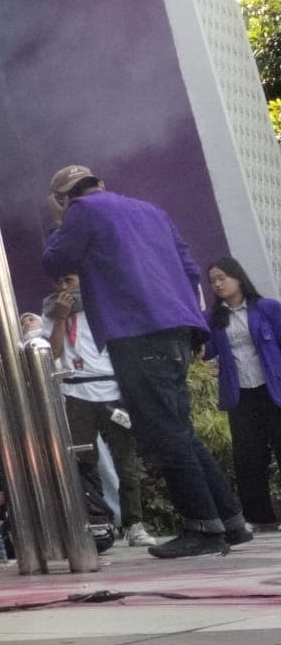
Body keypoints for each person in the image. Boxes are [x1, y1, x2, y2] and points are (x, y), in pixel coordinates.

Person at [43, 164, 245, 559]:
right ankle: (230, 522)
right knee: (180, 429)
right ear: (99, 184)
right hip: (176, 330)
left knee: (163, 434)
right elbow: (189, 270)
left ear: (66, 197)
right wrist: (194, 328)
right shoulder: (152, 210)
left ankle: (202, 528)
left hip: (136, 332)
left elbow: (56, 263)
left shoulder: (81, 213)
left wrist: (58, 222)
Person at [46, 274, 153, 546]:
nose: (63, 287)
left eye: (68, 280)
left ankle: (133, 524)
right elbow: (53, 353)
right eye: (58, 283)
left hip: (112, 392)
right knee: (84, 461)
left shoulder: (104, 307)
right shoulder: (52, 312)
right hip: (75, 392)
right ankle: (98, 521)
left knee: (126, 461)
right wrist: (60, 317)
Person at [204, 257, 281, 532]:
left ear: (238, 277)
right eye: (213, 280)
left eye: (222, 277)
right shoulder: (215, 318)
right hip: (241, 395)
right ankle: (260, 519)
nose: (217, 284)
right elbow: (207, 350)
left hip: (273, 390)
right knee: (248, 457)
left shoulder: (267, 308)